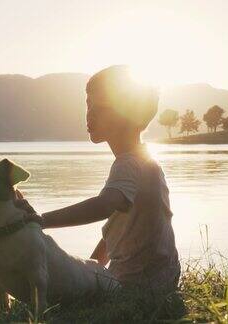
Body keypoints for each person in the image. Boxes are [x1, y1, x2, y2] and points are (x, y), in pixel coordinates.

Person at [16, 65, 180, 294]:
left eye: (101, 107)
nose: (90, 113)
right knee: (78, 271)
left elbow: (104, 205)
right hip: (162, 277)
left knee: (48, 280)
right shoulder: (145, 160)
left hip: (136, 283)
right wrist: (91, 267)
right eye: (88, 105)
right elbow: (120, 229)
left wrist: (40, 220)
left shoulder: (127, 164)